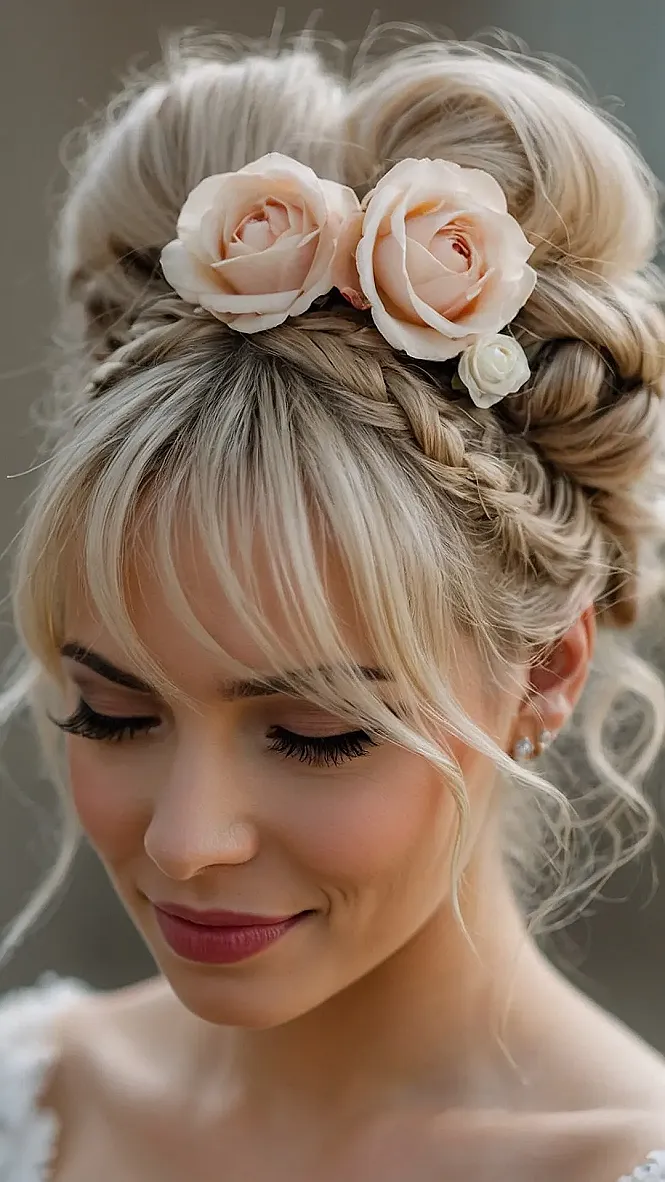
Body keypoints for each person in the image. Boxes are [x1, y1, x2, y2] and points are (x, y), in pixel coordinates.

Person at [1, 24, 665, 1182]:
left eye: (314, 735)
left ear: (545, 672)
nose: (185, 842)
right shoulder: (28, 1097)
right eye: (113, 714)